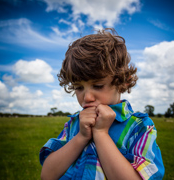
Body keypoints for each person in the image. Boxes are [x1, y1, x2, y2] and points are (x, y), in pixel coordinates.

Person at [39, 28, 165, 180]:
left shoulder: (139, 127)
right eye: (79, 87)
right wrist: (81, 137)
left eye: (98, 86)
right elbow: (47, 175)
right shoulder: (74, 124)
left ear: (123, 82)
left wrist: (101, 133)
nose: (87, 97)